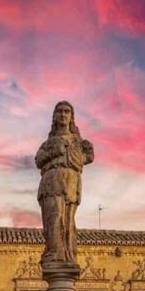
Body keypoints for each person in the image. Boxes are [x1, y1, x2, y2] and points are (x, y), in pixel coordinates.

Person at [35, 101, 94, 266]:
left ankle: (68, 253)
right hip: (52, 181)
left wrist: (87, 154)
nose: (63, 114)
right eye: (59, 111)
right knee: (54, 218)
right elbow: (39, 160)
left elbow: (85, 159)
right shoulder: (49, 143)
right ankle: (55, 253)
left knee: (68, 221)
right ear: (54, 116)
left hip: (72, 182)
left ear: (71, 117)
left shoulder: (77, 141)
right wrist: (55, 152)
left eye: (66, 111)